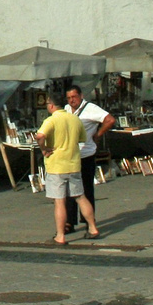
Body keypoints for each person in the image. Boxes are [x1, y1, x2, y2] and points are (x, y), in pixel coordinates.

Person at [36, 91, 98, 244]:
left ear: (51, 105)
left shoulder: (51, 120)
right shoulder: (74, 119)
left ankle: (60, 235)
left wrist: (44, 149)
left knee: (59, 201)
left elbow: (40, 136)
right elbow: (83, 138)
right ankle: (92, 227)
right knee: (80, 197)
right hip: (74, 164)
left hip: (57, 166)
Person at [64, 85, 113, 233]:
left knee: (86, 190)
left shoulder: (91, 108)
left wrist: (98, 134)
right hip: (70, 156)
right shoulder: (66, 109)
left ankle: (88, 220)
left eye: (74, 97)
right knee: (68, 190)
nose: (72, 100)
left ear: (81, 96)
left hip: (86, 155)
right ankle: (69, 222)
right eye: (69, 98)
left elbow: (110, 120)